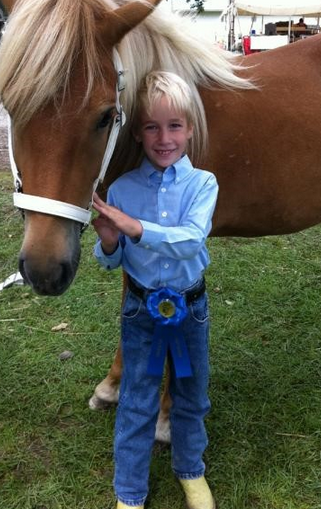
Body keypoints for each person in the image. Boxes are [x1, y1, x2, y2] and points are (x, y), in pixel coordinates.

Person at [92, 71, 218, 509]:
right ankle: (129, 492)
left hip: (190, 310)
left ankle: (191, 471)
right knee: (136, 400)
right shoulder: (122, 189)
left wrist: (134, 227)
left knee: (191, 393)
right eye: (151, 127)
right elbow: (111, 259)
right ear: (138, 133)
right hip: (141, 312)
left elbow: (191, 241)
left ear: (190, 129)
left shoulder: (203, 184)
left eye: (175, 126)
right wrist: (110, 241)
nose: (164, 138)